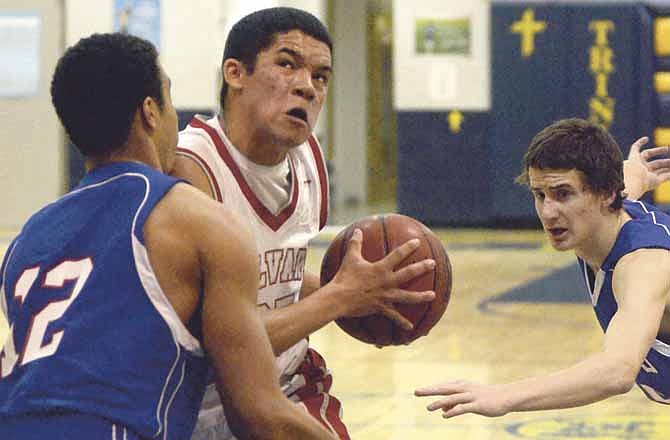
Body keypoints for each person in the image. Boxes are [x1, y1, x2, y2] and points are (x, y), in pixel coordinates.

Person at [0, 32, 339, 440]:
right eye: (171, 100)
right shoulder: (197, 219)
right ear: (150, 113)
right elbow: (261, 414)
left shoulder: (28, 237)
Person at [172, 7, 436, 440]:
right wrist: (340, 297)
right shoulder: (191, 168)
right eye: (287, 63)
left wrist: (374, 288)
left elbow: (279, 276)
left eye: (321, 76)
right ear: (235, 73)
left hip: (289, 386)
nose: (307, 87)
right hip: (193, 402)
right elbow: (221, 344)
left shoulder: (309, 159)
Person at [415, 118, 670, 417]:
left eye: (563, 194)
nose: (548, 212)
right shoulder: (608, 209)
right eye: (540, 195)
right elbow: (629, 179)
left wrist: (505, 395)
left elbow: (617, 371)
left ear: (608, 194)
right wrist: (638, 171)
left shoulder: (644, 265)